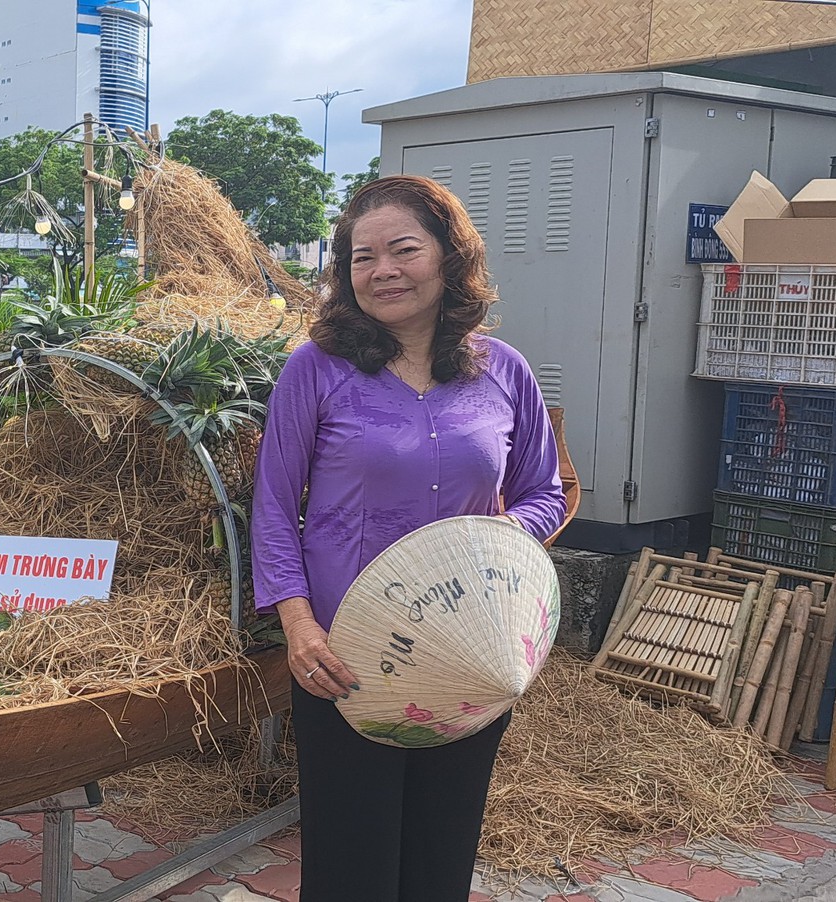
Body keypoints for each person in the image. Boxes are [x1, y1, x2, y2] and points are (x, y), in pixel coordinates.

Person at [251, 175, 564, 902]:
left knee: (440, 856)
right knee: (349, 863)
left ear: (450, 259)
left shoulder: (503, 371)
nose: (382, 270)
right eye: (362, 258)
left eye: (403, 250)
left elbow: (545, 492)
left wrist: (498, 542)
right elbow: (271, 506)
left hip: (471, 653)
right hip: (344, 656)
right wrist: (297, 627)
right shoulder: (316, 370)